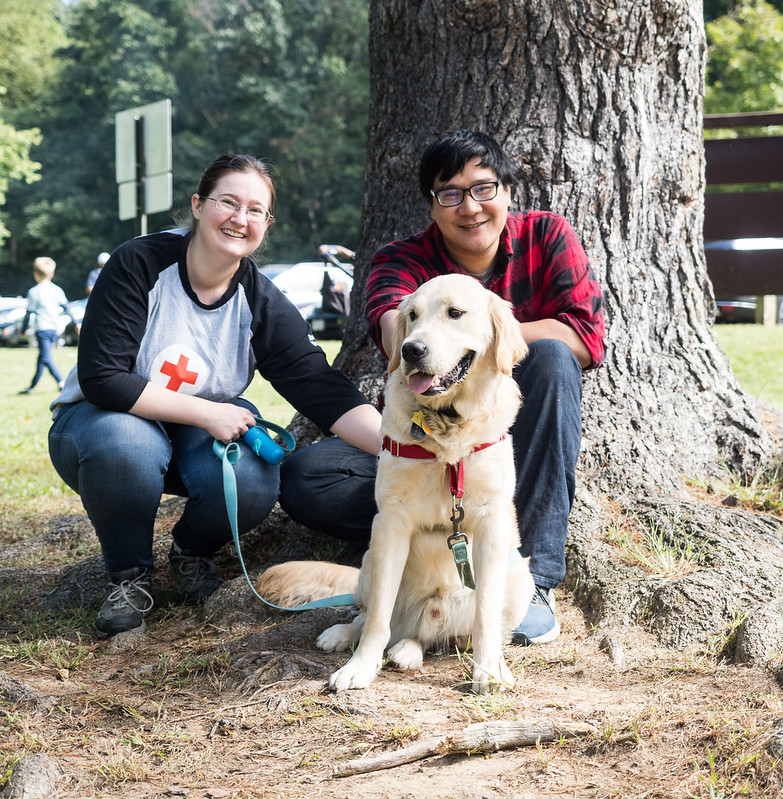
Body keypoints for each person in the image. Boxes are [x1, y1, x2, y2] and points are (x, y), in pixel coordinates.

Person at [279, 129, 605, 646]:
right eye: (449, 193)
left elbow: (585, 338)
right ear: (432, 207)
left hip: (499, 448)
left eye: (483, 188)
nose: (470, 206)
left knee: (553, 357)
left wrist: (491, 330)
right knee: (305, 476)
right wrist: (430, 334)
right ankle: (403, 566)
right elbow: (394, 330)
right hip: (417, 443)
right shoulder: (400, 259)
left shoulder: (547, 236)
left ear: (507, 193)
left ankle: (534, 577)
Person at [48, 153, 382, 639]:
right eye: (228, 202)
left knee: (252, 475)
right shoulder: (139, 263)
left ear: (266, 224)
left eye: (255, 210)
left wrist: (403, 447)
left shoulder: (261, 299)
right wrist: (207, 411)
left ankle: (190, 553)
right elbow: (103, 377)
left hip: (196, 430)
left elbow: (321, 388)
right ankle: (129, 576)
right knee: (127, 444)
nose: (239, 219)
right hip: (100, 422)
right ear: (199, 206)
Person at [19, 257, 70, 394]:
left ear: (35, 273)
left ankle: (62, 382)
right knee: (42, 357)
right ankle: (32, 387)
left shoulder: (34, 291)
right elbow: (67, 307)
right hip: (54, 328)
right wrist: (76, 323)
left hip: (42, 328)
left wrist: (23, 330)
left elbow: (28, 313)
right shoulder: (57, 290)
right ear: (52, 274)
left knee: (46, 357)